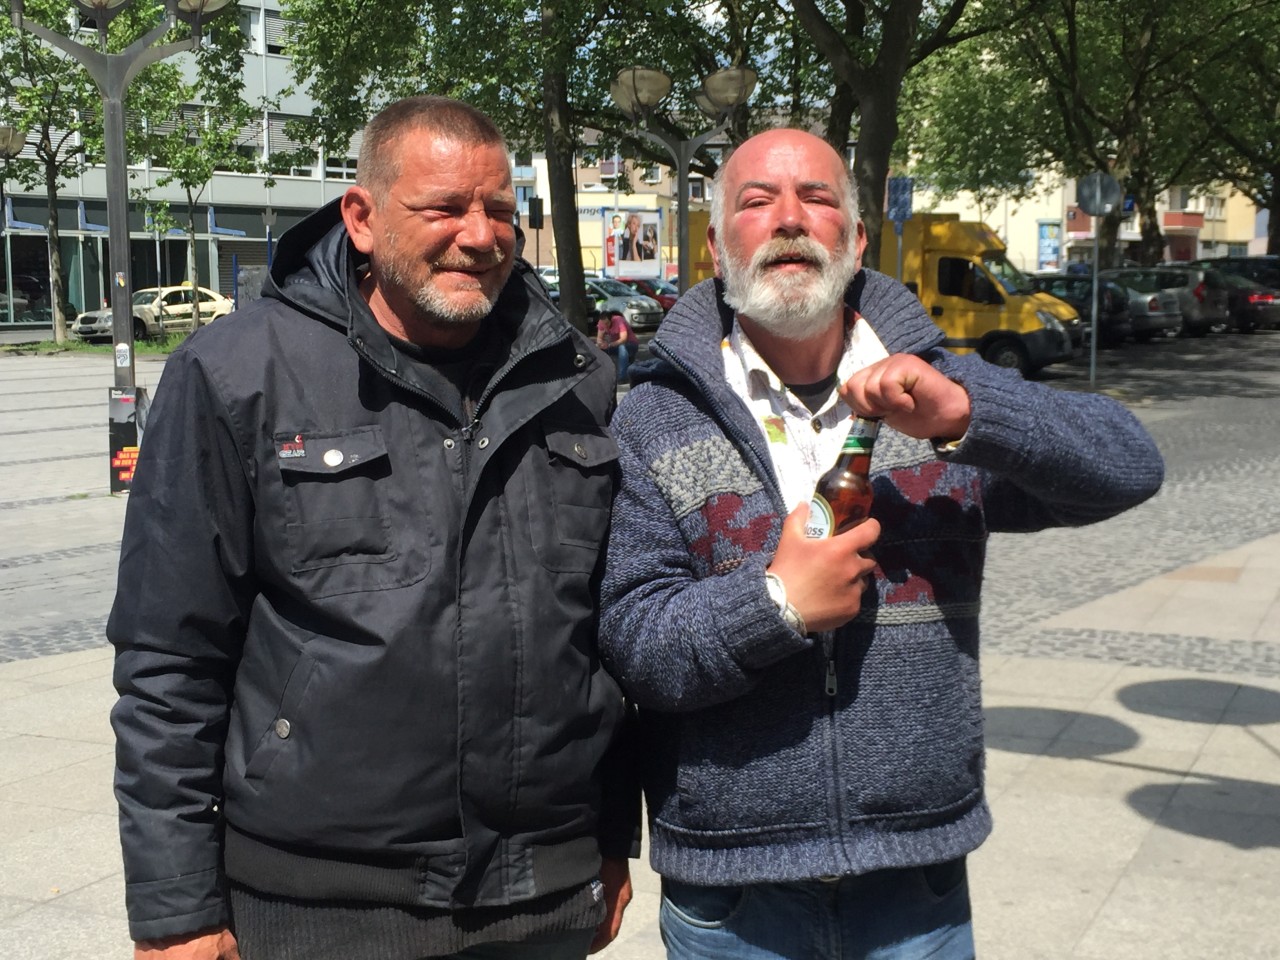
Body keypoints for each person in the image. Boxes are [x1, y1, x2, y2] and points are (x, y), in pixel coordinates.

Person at [597, 128, 1164, 959]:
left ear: (858, 240)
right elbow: (635, 644)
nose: (790, 219)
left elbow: (1128, 466)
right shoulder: (650, 415)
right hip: (733, 896)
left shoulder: (936, 387)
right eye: (757, 202)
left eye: (818, 198)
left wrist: (970, 420)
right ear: (717, 245)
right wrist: (776, 605)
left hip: (917, 885)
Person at [109, 96, 637, 960]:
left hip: (543, 899)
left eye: (501, 210)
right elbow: (170, 656)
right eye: (444, 209)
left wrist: (610, 835)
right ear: (361, 216)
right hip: (321, 906)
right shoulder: (235, 374)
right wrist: (177, 909)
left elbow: (604, 641)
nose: (480, 235)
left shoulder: (579, 381)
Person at [595, 312, 636, 382]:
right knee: (597, 348)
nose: (605, 326)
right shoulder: (601, 322)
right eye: (603, 324)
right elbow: (599, 338)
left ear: (611, 320)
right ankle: (599, 375)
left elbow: (623, 339)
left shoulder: (619, 321)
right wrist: (601, 344)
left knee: (622, 347)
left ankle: (622, 377)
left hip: (630, 344)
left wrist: (609, 345)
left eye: (607, 323)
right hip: (614, 345)